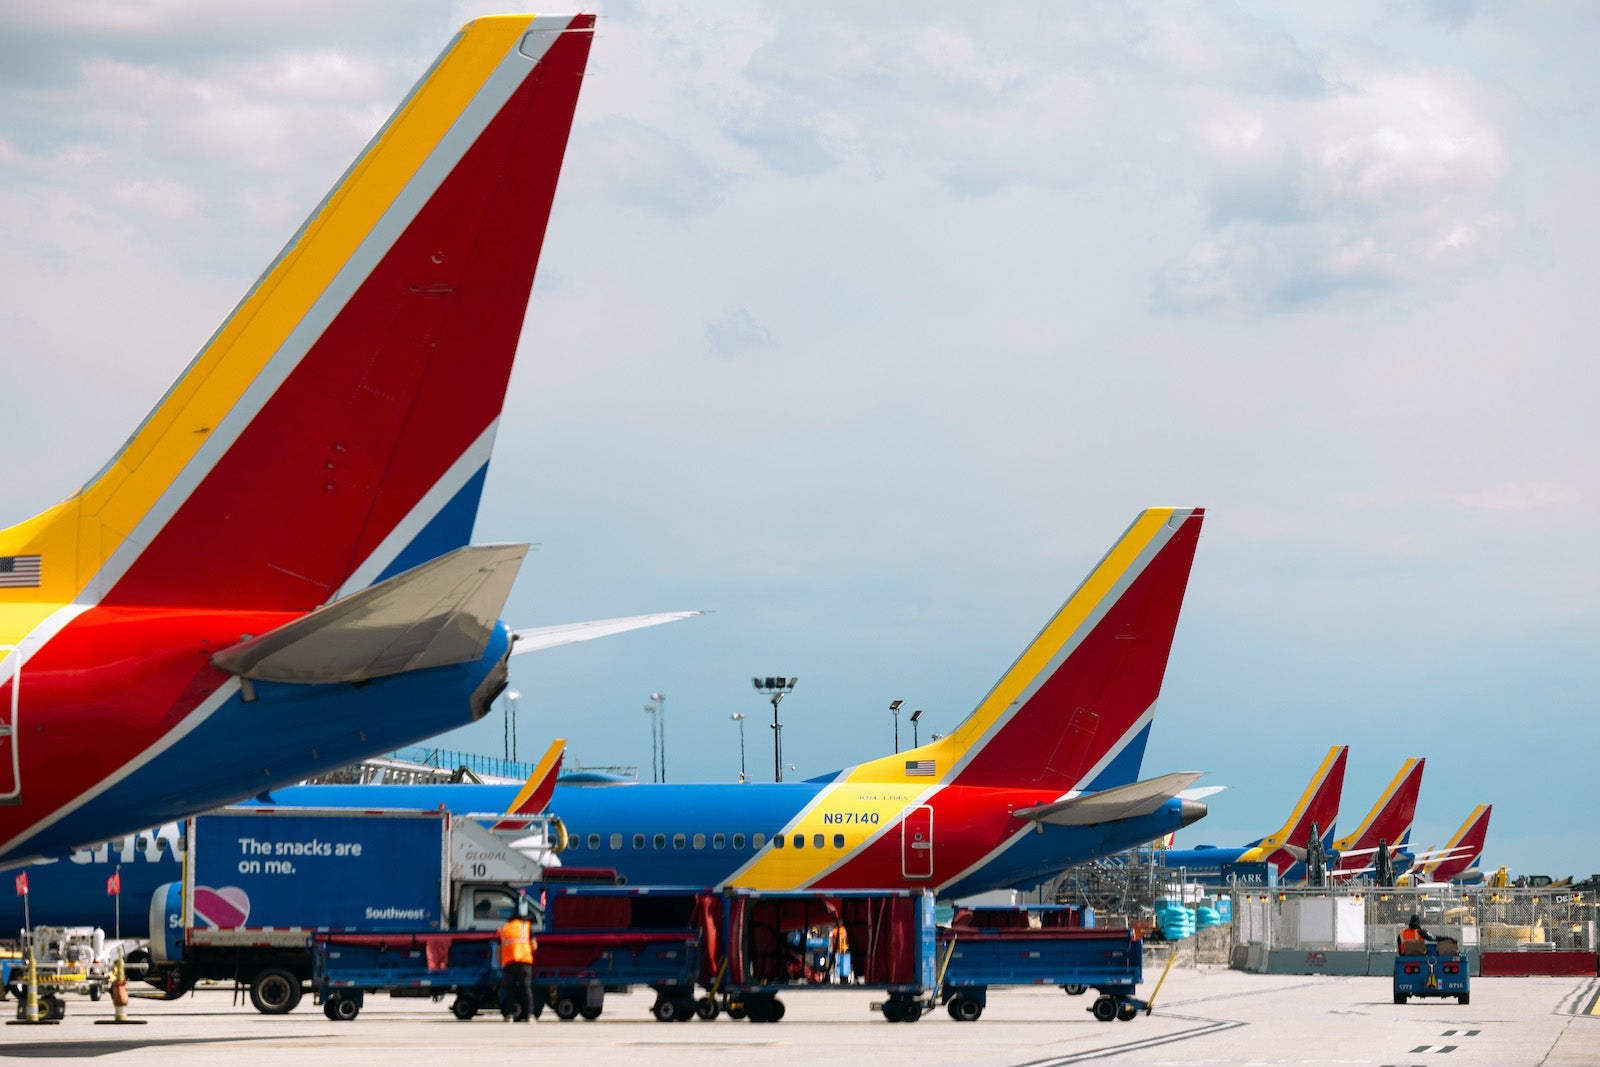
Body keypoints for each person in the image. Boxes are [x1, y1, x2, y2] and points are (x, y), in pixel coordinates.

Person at [498, 898, 537, 1022]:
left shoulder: (503, 929)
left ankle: (508, 1015)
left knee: (510, 989)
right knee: (526, 988)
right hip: (524, 962)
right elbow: (534, 946)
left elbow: (498, 950)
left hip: (509, 963)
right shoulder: (526, 927)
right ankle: (530, 1015)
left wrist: (501, 964)